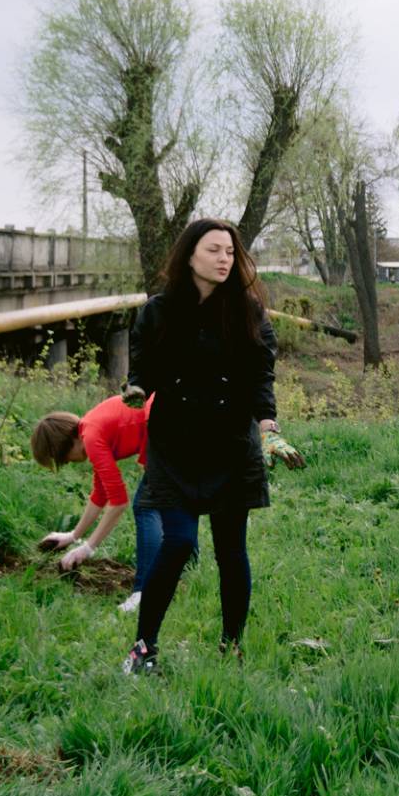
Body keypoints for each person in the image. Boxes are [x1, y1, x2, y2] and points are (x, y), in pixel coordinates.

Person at [119, 218, 279, 676]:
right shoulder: (158, 311)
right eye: (214, 251)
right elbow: (143, 365)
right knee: (178, 542)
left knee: (232, 550)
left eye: (230, 252)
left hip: (232, 446)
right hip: (176, 446)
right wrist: (135, 387)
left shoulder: (247, 311)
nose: (224, 259)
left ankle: (232, 647)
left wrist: (268, 423)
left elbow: (260, 374)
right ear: (190, 255)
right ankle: (143, 647)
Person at [31, 396, 160, 615]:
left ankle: (144, 593)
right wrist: (73, 536)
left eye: (64, 459)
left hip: (161, 423)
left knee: (146, 506)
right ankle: (185, 567)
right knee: (169, 503)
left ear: (64, 445)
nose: (69, 462)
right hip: (161, 420)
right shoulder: (91, 428)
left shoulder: (91, 436)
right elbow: (100, 495)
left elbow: (118, 502)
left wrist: (88, 547)